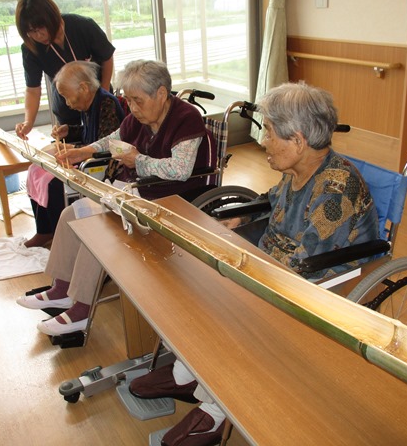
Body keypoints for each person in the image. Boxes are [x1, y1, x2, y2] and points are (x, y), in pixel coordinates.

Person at [128, 82, 380, 446]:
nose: (263, 142)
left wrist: (240, 271)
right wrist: (241, 218)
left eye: (270, 133)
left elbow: (305, 262)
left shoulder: (337, 190)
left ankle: (216, 412)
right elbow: (273, 200)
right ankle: (187, 374)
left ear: (298, 141)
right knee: (197, 281)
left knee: (230, 304)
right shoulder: (300, 168)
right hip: (279, 260)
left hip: (325, 277)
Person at [16, 59, 216, 335]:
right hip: (137, 192)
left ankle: (82, 309)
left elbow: (180, 170)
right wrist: (84, 151)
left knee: (99, 227)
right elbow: (115, 137)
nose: (132, 108)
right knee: (71, 213)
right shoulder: (140, 117)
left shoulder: (186, 117)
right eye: (128, 101)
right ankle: (61, 289)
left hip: (172, 199)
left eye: (137, 101)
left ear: (161, 94)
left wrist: (138, 161)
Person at [24, 61, 124, 248]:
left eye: (67, 97)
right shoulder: (87, 104)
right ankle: (44, 231)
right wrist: (68, 131)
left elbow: (107, 144)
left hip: (100, 165)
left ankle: (61, 236)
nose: (67, 103)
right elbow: (88, 133)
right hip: (86, 156)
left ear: (84, 88)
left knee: (53, 183)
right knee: (35, 170)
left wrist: (77, 149)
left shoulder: (106, 103)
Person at [14, 0, 115, 139]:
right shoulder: (31, 48)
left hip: (97, 98)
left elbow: (107, 57)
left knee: (102, 142)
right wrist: (28, 122)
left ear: (51, 17)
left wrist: (103, 94)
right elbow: (32, 89)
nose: (38, 36)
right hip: (66, 106)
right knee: (69, 144)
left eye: (40, 28)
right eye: (31, 32)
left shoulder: (83, 26)